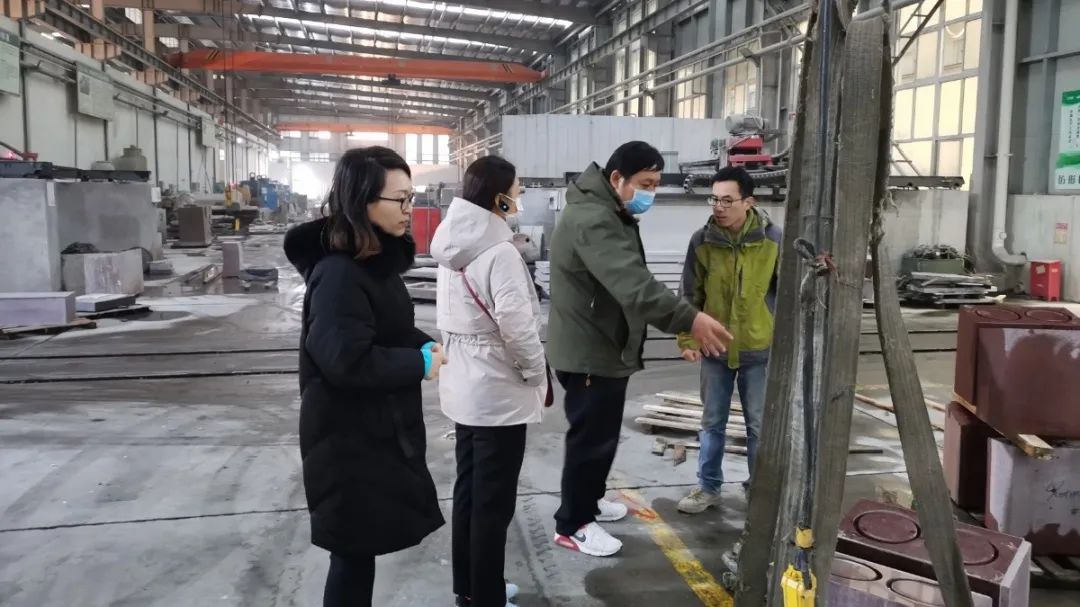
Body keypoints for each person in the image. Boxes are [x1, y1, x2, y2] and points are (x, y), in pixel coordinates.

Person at [546, 141, 734, 557]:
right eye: (645, 184)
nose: (650, 193)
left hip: (603, 346)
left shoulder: (609, 211)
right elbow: (633, 285)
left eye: (655, 184)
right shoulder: (594, 219)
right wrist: (690, 319)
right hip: (590, 350)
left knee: (602, 437)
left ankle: (590, 502)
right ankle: (573, 524)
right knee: (590, 441)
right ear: (617, 178)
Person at [284, 146, 446, 607]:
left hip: (372, 433)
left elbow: (386, 327)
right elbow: (346, 360)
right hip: (347, 441)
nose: (409, 209)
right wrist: (417, 365)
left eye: (412, 197)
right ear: (363, 202)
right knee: (352, 556)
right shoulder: (338, 273)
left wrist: (422, 344)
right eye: (401, 199)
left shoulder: (373, 262)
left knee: (359, 552)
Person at [430, 156, 547, 607]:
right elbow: (518, 329)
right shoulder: (500, 253)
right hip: (498, 391)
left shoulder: (451, 244)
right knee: (493, 503)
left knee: (469, 491)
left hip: (463, 384)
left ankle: (471, 589)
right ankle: (488, 597)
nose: (519, 198)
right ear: (499, 197)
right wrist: (536, 374)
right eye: (516, 191)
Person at [675, 166, 781, 514]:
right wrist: (688, 338)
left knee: (759, 427)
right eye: (714, 199)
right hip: (715, 348)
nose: (718, 207)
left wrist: (782, 340)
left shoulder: (773, 240)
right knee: (712, 423)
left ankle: (759, 490)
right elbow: (689, 293)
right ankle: (708, 488)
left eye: (727, 200)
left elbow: (786, 294)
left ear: (748, 202)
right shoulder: (702, 241)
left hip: (758, 349)